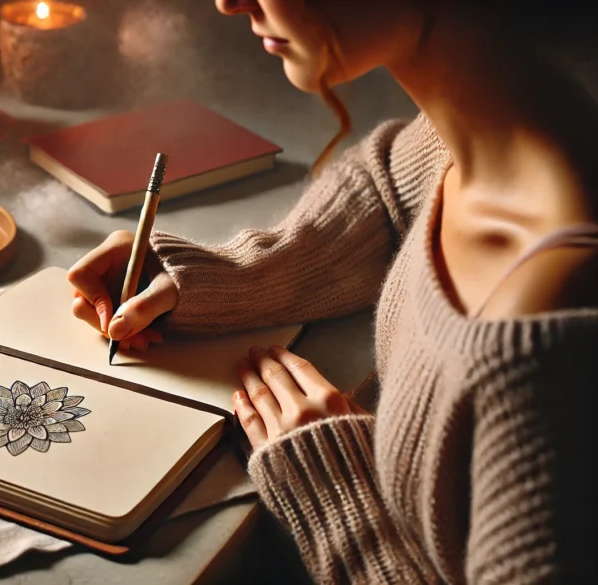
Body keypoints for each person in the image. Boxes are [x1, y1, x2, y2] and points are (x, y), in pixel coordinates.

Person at [67, 1, 597, 582]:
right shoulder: (505, 126)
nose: (227, 2)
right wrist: (232, 276)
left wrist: (340, 497)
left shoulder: (546, 338)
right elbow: (389, 184)